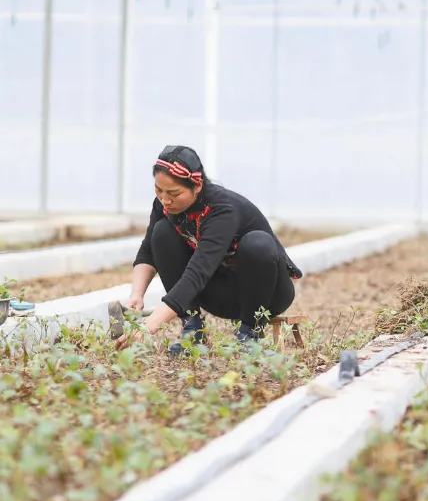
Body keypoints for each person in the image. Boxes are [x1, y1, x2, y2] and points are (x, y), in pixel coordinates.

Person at [118, 145, 301, 353]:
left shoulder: (222, 210)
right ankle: (192, 329)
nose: (165, 200)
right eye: (159, 190)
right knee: (161, 232)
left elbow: (199, 271)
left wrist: (148, 326)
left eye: (174, 193)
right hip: (220, 296)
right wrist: (137, 294)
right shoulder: (165, 204)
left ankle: (250, 332)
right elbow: (148, 252)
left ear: (197, 186)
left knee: (257, 244)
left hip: (267, 294)